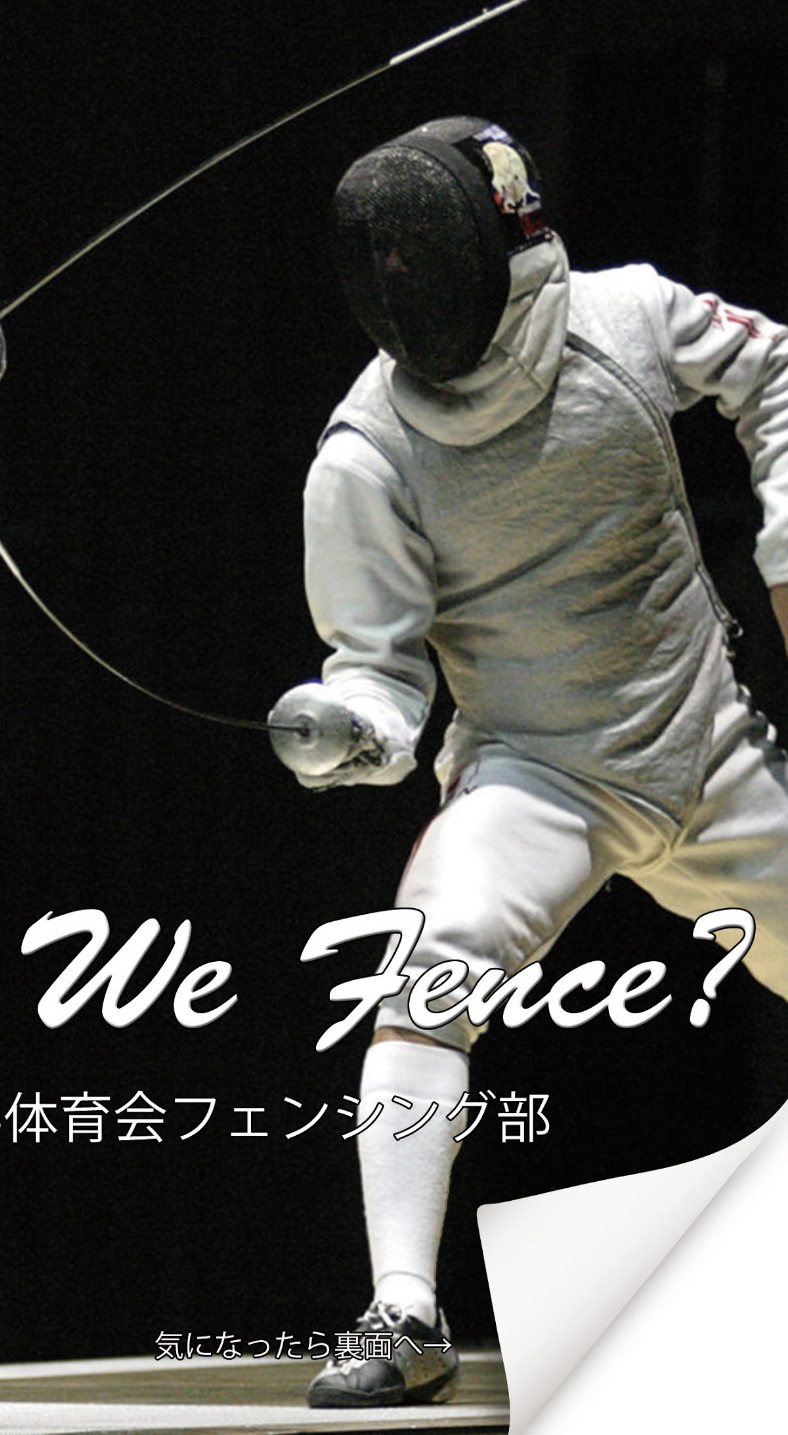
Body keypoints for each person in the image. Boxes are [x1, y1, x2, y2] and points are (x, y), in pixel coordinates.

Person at [272, 116, 788, 1409]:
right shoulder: (365, 453)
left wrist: (785, 547)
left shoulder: (626, 320)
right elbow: (380, 669)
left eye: (418, 255)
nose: (401, 280)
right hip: (534, 776)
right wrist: (357, 727)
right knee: (427, 966)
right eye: (385, 262)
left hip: (706, 745)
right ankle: (403, 1311)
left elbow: (775, 365)